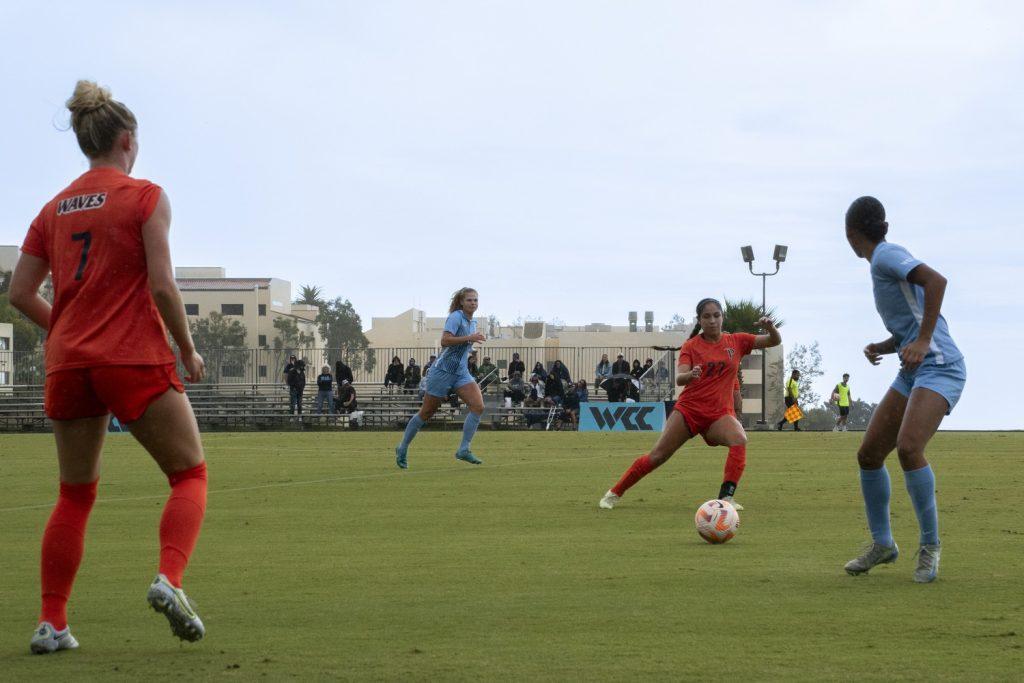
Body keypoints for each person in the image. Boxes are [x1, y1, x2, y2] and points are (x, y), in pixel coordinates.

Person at [10, 80, 208, 652]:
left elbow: (21, 292)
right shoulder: (145, 196)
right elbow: (163, 285)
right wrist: (187, 347)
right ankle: (169, 579)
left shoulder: (52, 208)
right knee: (189, 475)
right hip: (131, 356)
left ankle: (52, 623)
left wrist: (69, 331)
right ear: (127, 140)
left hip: (69, 364)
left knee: (74, 494)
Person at [841, 196, 964, 583]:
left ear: (850, 234)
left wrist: (925, 340)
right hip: (913, 370)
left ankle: (930, 547)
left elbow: (937, 281)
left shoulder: (884, 257)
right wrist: (885, 345)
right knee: (870, 453)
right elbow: (909, 324)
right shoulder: (885, 260)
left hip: (941, 366)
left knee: (909, 448)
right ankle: (884, 544)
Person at [598, 298, 781, 512]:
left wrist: (770, 327)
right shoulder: (691, 346)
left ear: (722, 317)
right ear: (699, 320)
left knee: (739, 439)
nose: (712, 320)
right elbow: (680, 378)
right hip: (689, 412)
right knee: (657, 456)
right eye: (707, 316)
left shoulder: (737, 341)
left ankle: (725, 498)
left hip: (718, 415)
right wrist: (691, 375)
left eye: (716, 315)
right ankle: (614, 493)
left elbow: (773, 341)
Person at [394, 287, 486, 468]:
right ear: (461, 302)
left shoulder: (472, 322)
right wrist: (469, 338)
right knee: (427, 412)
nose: (473, 303)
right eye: (469, 300)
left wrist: (471, 349)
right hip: (442, 371)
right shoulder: (456, 317)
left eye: (475, 300)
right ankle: (402, 446)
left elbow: (463, 346)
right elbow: (445, 340)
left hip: (460, 372)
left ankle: (464, 449)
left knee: (478, 406)